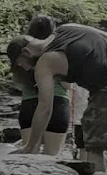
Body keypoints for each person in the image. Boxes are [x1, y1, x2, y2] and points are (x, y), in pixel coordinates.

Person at [8, 23, 107, 174]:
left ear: (26, 52)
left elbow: (45, 107)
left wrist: (31, 146)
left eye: (20, 64)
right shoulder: (68, 28)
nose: (26, 69)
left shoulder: (45, 62)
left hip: (106, 86)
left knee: (94, 146)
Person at [9, 15, 70, 156]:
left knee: (28, 154)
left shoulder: (21, 50)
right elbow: (67, 85)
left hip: (29, 104)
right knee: (52, 156)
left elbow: (18, 85)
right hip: (57, 102)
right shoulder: (58, 49)